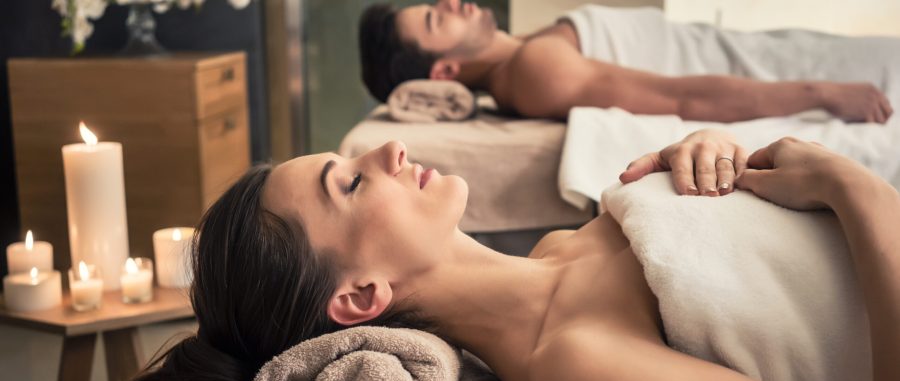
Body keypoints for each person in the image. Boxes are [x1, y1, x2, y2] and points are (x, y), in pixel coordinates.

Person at [132, 128, 899, 381]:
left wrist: (712, 157)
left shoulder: (559, 249)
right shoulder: (574, 362)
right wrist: (853, 189)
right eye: (355, 181)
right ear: (362, 296)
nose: (391, 150)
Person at [358, 0, 895, 123]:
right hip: (798, 79)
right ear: (445, 72)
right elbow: (681, 99)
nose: (452, 3)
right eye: (437, 20)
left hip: (780, 53)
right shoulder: (535, 73)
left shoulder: (527, 49)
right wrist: (822, 94)